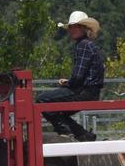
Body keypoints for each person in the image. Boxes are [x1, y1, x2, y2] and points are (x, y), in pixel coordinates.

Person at [38, 10, 105, 142]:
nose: (72, 30)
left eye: (76, 27)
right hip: (91, 92)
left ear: (84, 29)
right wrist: (70, 82)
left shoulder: (83, 46)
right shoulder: (88, 45)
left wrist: (67, 83)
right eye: (71, 27)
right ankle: (83, 135)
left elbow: (78, 77)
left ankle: (68, 133)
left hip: (84, 91)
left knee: (42, 100)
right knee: (57, 112)